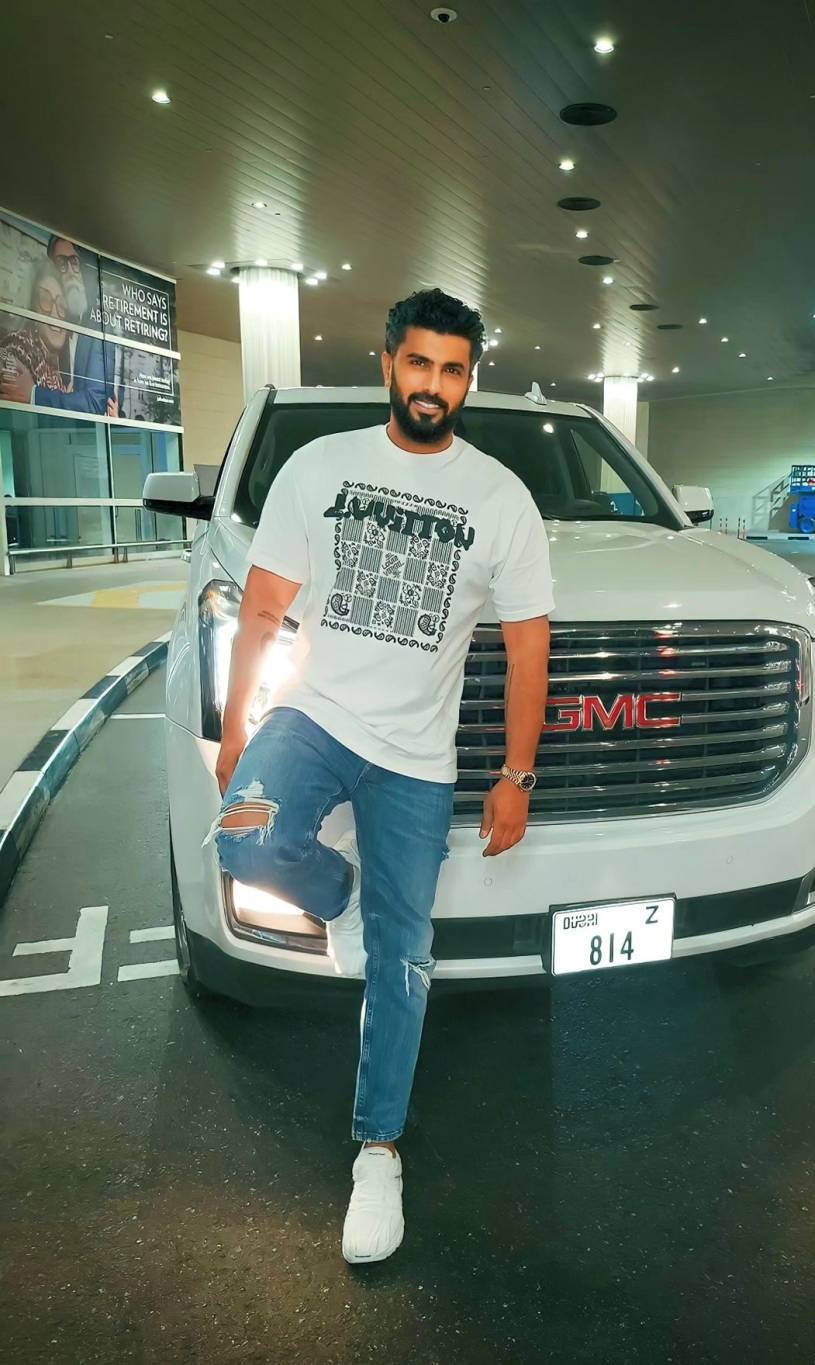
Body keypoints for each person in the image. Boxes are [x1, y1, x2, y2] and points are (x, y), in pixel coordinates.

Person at [210, 288, 554, 1264]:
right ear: (388, 364)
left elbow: (528, 650)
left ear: (468, 380)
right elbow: (262, 608)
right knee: (244, 835)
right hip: (313, 717)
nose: (432, 384)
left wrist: (516, 775)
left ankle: (377, 1151)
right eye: (418, 363)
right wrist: (235, 726)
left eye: (452, 369)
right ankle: (343, 896)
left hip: (415, 759)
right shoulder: (321, 467)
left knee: (403, 960)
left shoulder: (500, 498)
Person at [0, 236, 117, 414]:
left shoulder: (97, 331)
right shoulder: (22, 347)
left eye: (74, 262)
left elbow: (94, 403)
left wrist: (35, 395)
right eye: (61, 263)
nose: (69, 271)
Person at [0, 259, 70, 394]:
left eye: (61, 304)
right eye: (45, 300)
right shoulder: (17, 348)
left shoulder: (54, 365)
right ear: (33, 309)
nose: (55, 313)